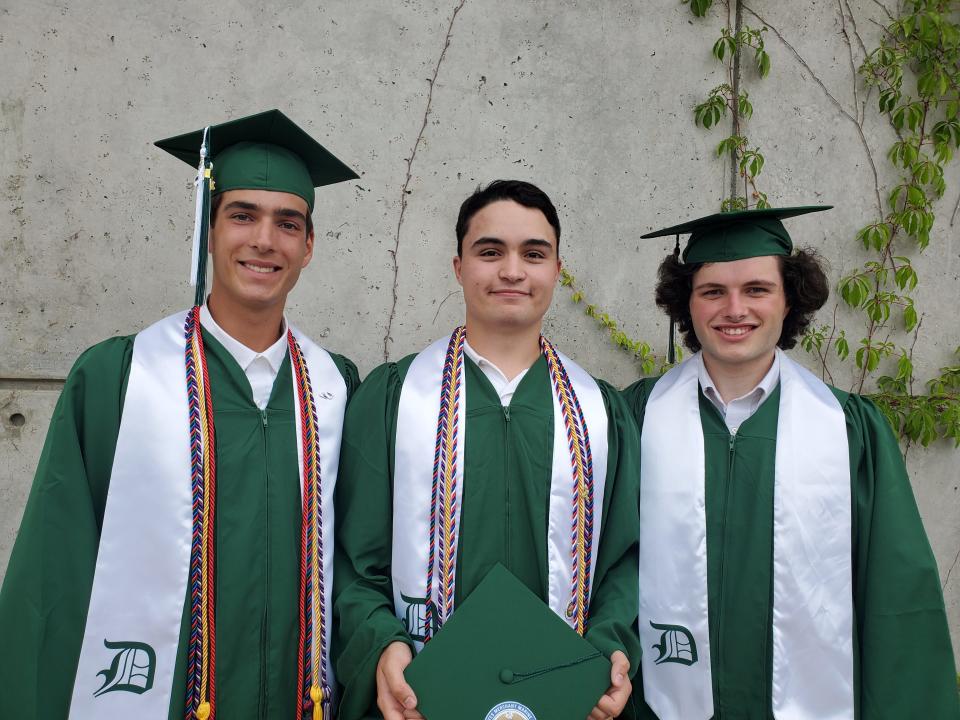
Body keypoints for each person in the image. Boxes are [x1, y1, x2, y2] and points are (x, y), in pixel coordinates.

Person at [0, 109, 360, 720]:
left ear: (308, 246)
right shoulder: (121, 377)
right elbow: (53, 573)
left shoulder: (337, 388)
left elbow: (357, 568)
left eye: (287, 223)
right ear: (209, 227)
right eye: (242, 215)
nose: (264, 241)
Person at [625, 206, 959, 719]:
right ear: (685, 303)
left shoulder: (849, 429)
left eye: (757, 289)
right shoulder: (636, 418)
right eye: (712, 291)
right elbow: (604, 567)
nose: (734, 309)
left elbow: (895, 597)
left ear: (789, 300)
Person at [332, 180, 641, 720]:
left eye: (534, 254)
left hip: (564, 698)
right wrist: (383, 643)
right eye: (490, 251)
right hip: (423, 697)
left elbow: (623, 562)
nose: (512, 271)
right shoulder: (392, 399)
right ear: (458, 267)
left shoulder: (602, 414)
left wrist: (609, 648)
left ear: (557, 270)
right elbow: (354, 561)